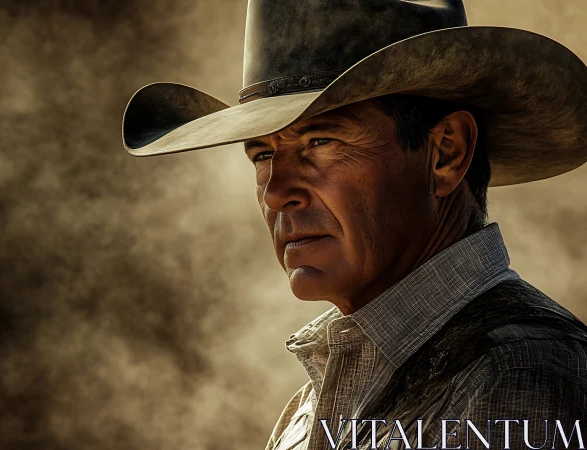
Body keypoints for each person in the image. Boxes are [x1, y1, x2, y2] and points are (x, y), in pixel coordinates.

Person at [121, 1, 587, 448]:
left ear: (446, 152)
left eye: (321, 140)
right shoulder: (307, 411)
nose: (276, 192)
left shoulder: (525, 375)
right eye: (263, 154)